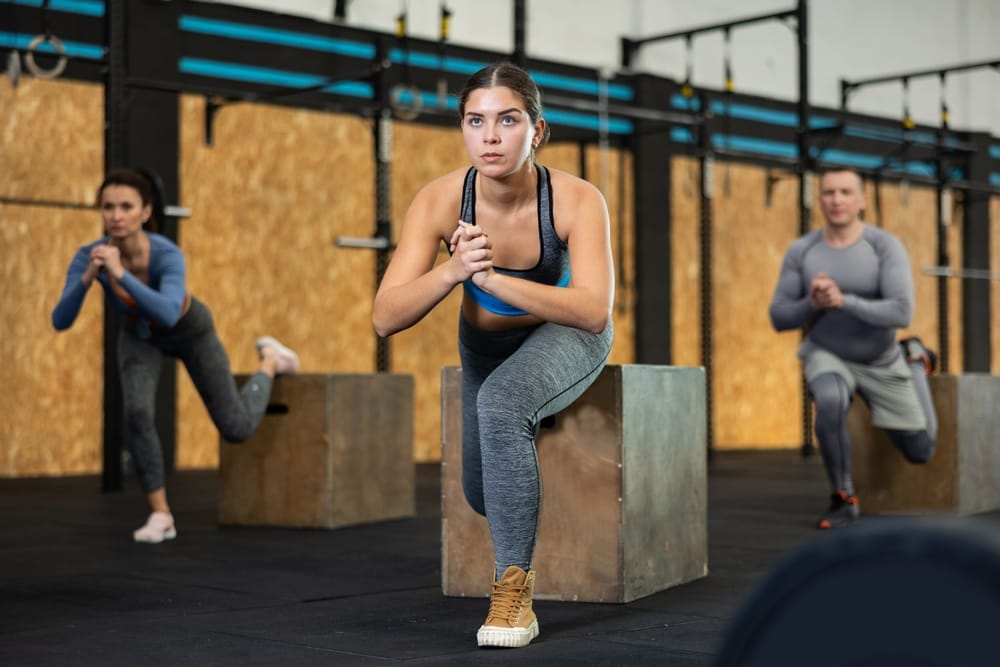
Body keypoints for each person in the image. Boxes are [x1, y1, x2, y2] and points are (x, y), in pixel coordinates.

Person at [372, 62, 614, 648]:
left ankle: (514, 596)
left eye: (508, 120)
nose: (490, 136)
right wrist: (454, 270)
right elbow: (385, 316)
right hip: (484, 344)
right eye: (476, 121)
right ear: (462, 129)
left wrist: (497, 282)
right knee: (480, 496)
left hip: (567, 334)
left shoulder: (578, 199)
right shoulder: (438, 199)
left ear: (537, 131)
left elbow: (593, 310)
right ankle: (515, 519)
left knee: (503, 405)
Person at [51, 168, 300, 544]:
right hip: (140, 336)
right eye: (107, 207)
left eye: (125, 206)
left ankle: (270, 359)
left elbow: (167, 312)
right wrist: (87, 278)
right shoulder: (90, 256)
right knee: (137, 412)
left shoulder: (166, 254)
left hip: (190, 330)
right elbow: (60, 320)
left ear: (145, 212)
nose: (115, 215)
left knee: (236, 428)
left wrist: (120, 274)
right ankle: (161, 514)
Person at [769, 166, 937, 530]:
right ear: (820, 200)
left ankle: (915, 360)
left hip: (882, 358)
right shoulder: (803, 250)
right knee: (828, 401)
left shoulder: (884, 246)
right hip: (828, 353)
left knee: (921, 449)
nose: (837, 200)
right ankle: (843, 498)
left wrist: (843, 301)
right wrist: (812, 302)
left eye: (846, 192)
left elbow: (901, 310)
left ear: (861, 200)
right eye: (829, 193)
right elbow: (779, 317)